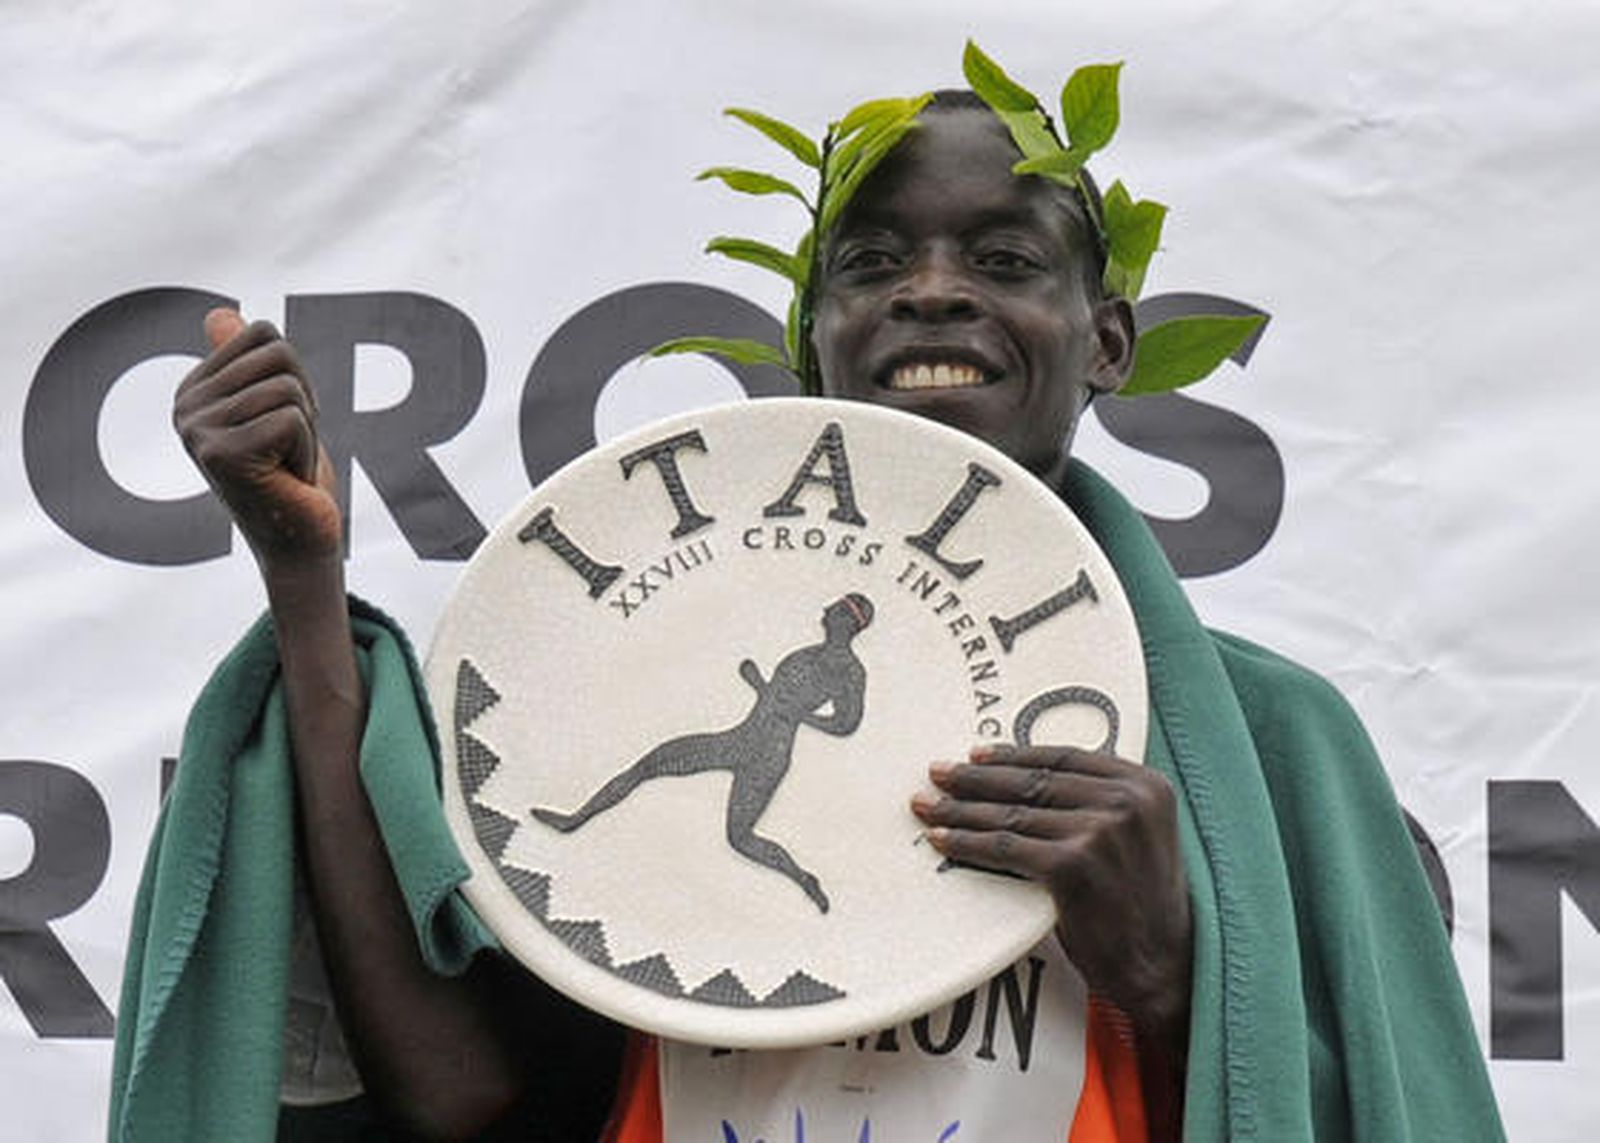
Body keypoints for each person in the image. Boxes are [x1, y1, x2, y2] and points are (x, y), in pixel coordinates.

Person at [114, 85, 1502, 1143]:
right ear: (812, 344)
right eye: (872, 262)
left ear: (1110, 344)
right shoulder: (609, 672)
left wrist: (1181, 973)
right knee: (661, 788)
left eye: (1009, 260)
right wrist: (302, 588)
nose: (934, 289)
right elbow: (464, 1093)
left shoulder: (1275, 745)